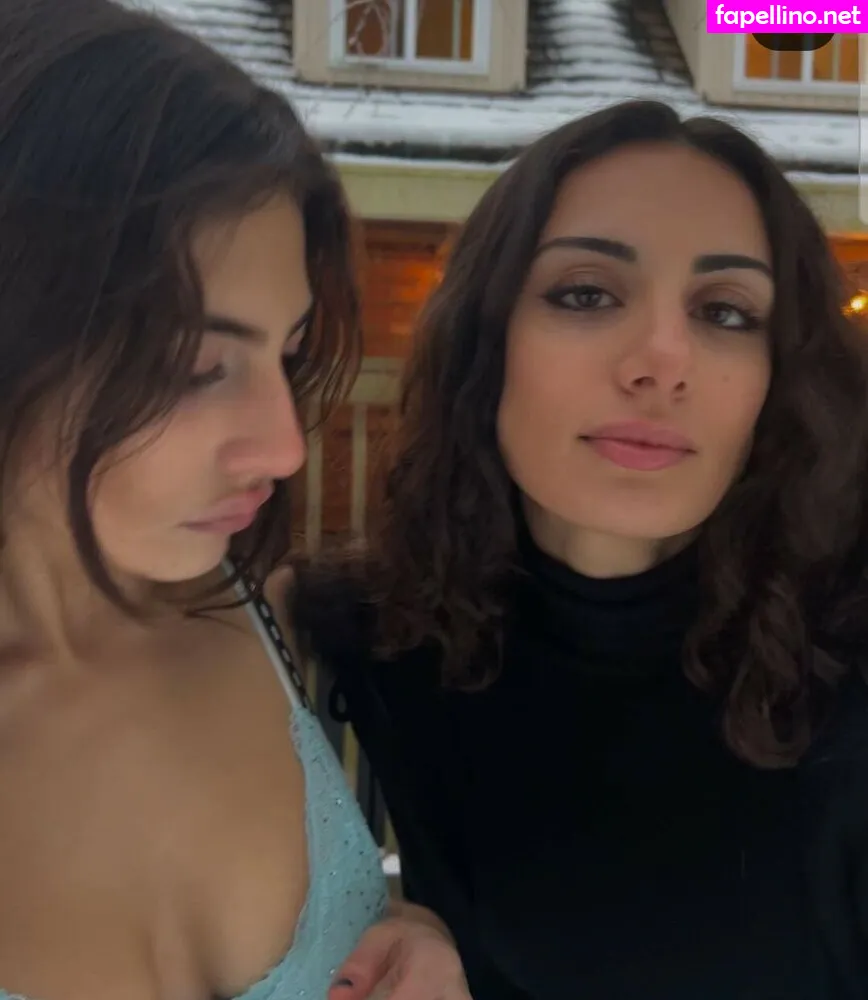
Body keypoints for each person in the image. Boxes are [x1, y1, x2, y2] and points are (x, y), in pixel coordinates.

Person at [291, 99, 868, 999]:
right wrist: (391, 923)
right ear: (488, 341)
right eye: (587, 294)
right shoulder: (382, 630)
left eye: (725, 311)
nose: (662, 360)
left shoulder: (846, 651)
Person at [0, 2, 471, 999]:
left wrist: (406, 934)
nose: (286, 447)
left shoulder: (257, 609)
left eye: (286, 353)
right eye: (195, 364)